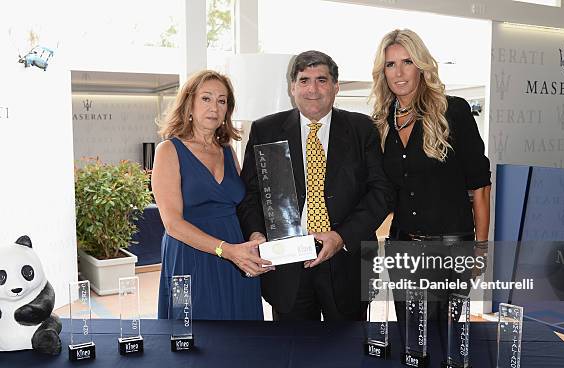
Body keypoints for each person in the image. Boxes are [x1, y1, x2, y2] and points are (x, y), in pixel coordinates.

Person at [238, 50, 395, 321]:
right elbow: (250, 195)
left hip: (348, 262)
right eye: (304, 80)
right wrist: (255, 235)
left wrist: (341, 236)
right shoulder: (266, 130)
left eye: (322, 80)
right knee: (293, 354)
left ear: (335, 87)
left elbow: (381, 192)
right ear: (292, 87)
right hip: (286, 267)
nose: (312, 89)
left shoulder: (362, 129)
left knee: (348, 353)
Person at [370, 29, 491, 344]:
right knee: (411, 340)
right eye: (390, 64)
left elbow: (480, 185)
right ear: (382, 72)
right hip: (402, 248)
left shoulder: (453, 111)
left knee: (445, 341)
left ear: (421, 66)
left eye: (407, 62)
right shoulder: (381, 123)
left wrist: (480, 248)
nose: (398, 72)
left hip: (450, 249)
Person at [152, 70, 271, 320]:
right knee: (193, 340)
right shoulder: (168, 150)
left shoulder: (227, 151)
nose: (214, 107)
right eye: (206, 98)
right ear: (189, 104)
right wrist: (226, 250)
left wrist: (255, 236)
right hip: (189, 257)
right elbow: (172, 224)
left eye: (222, 100)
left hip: (237, 258)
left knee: (242, 340)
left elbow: (243, 205)